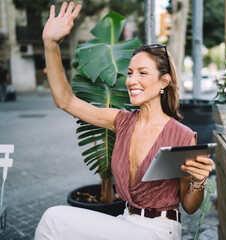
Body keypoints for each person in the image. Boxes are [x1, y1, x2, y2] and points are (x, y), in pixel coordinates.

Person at [35, 2, 214, 240]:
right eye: (130, 72)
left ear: (163, 82)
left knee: (53, 219)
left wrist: (199, 182)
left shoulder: (181, 135)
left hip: (160, 230)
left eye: (143, 72)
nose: (132, 80)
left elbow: (189, 207)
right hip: (125, 221)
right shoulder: (121, 121)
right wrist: (50, 44)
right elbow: (65, 100)